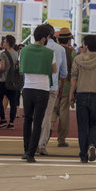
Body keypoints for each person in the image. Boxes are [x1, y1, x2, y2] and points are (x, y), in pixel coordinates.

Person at [69, 35, 96, 163]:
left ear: (86, 45)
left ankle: (83, 154)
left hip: (81, 95)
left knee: (82, 126)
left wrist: (71, 94)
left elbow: (74, 79)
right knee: (94, 124)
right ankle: (92, 144)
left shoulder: (78, 60)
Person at [20, 25, 57, 163]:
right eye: (48, 37)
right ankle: (31, 153)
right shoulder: (49, 52)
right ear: (43, 38)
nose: (48, 40)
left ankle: (25, 150)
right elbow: (54, 70)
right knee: (38, 122)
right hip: (43, 89)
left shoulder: (24, 50)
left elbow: (22, 69)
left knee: (27, 119)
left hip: (28, 88)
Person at [37, 24, 67, 155]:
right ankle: (42, 145)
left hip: (35, 86)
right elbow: (64, 73)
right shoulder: (60, 49)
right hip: (52, 87)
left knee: (35, 116)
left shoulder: (34, 47)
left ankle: (32, 142)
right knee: (47, 117)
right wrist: (61, 87)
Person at [51, 28, 76, 147]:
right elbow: (75, 71)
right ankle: (61, 139)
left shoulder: (54, 49)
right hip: (66, 85)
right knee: (64, 112)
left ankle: (48, 130)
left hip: (53, 83)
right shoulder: (72, 53)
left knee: (52, 109)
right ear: (69, 40)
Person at [0, 35, 19, 130]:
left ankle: (3, 119)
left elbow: (3, 67)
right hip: (13, 82)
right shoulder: (16, 53)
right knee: (13, 102)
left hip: (4, 81)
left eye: (4, 41)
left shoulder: (4, 54)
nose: (3, 43)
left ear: (7, 43)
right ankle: (11, 122)